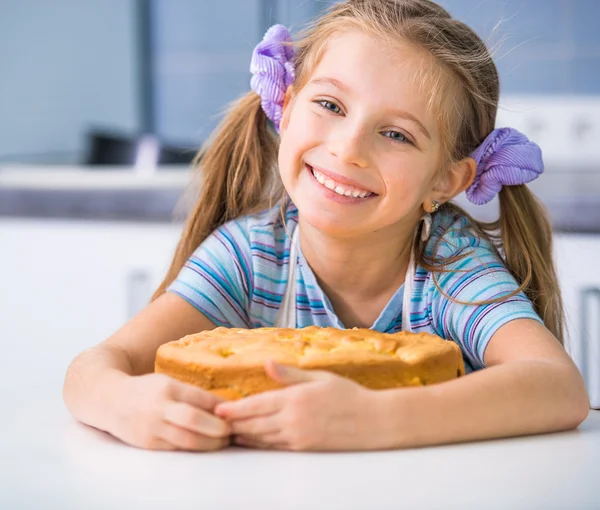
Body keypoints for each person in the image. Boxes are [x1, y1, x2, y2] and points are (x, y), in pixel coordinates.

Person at [63, 0, 589, 452]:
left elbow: (557, 387)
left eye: (397, 135)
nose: (347, 148)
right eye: (330, 105)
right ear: (286, 109)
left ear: (446, 180)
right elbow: (97, 368)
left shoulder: (450, 267)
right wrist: (127, 403)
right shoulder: (250, 258)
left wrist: (375, 419)